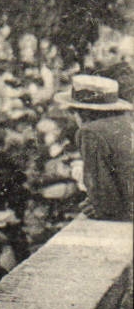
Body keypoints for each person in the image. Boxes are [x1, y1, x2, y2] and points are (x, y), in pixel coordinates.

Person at [57, 74, 134, 221]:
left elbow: (104, 196)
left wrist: (97, 205)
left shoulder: (90, 132)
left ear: (79, 111)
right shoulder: (126, 122)